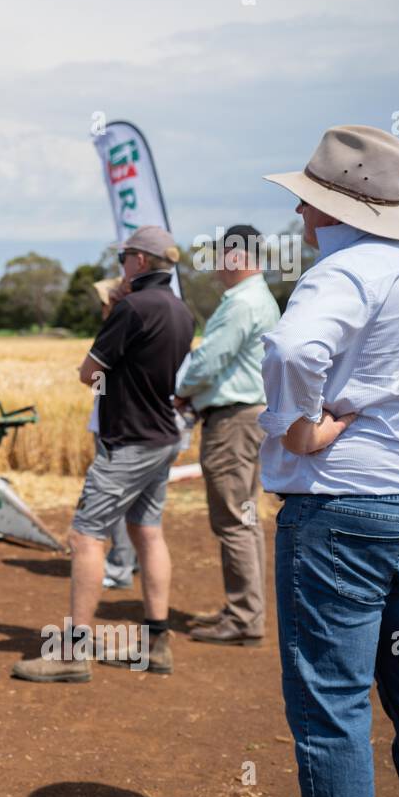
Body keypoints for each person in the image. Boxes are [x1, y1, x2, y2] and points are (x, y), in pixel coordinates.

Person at [260, 124, 399, 797]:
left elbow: (291, 348)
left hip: (342, 511)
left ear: (334, 208)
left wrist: (299, 427)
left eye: (308, 200)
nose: (300, 211)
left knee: (331, 707)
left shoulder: (343, 272)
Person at [10, 226, 194, 682]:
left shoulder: (131, 307)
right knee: (147, 530)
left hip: (126, 440)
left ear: (141, 261)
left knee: (87, 537)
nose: (121, 266)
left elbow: (90, 373)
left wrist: (114, 309)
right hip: (162, 437)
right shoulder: (181, 310)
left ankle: (72, 652)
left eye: (123, 258)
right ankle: (157, 642)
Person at [174, 225, 281, 646]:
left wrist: (181, 393)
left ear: (236, 257)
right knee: (246, 516)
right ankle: (245, 609)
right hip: (250, 418)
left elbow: (208, 360)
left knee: (233, 519)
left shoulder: (240, 303)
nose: (217, 265)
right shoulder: (261, 299)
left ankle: (243, 618)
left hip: (232, 422)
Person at [90, 276, 139, 591]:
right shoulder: (142, 328)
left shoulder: (116, 332)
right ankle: (129, 561)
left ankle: (120, 565)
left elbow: (91, 374)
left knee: (113, 498)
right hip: (127, 425)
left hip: (112, 426)